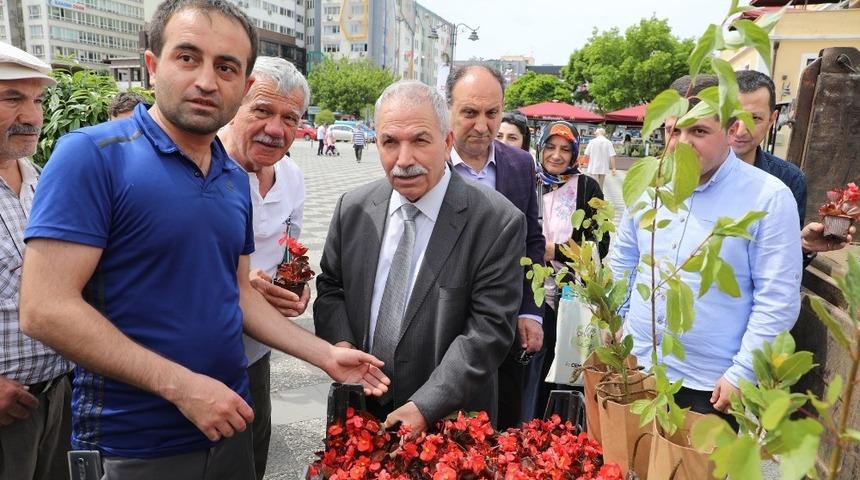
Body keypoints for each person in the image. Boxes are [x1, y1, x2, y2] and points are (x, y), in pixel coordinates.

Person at [18, 2, 388, 478]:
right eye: (188, 58)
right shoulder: (92, 157)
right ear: (153, 66)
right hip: (133, 443)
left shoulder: (234, 178)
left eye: (226, 66)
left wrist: (325, 355)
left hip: (227, 422)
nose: (208, 81)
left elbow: (238, 296)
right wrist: (182, 387)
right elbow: (44, 308)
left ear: (244, 82)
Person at [314, 80, 525, 437]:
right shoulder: (353, 208)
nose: (404, 160)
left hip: (449, 427)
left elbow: (488, 331)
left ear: (446, 144)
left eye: (420, 140)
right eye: (390, 142)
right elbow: (331, 287)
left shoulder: (496, 221)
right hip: (360, 412)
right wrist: (344, 345)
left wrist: (426, 405)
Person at [610, 74, 802, 425]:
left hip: (710, 387)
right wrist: (617, 320)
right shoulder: (648, 185)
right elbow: (625, 258)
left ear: (729, 131)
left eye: (698, 132)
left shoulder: (767, 198)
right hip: (637, 366)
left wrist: (743, 371)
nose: (683, 143)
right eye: (673, 131)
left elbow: (777, 299)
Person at [218, 56, 309, 480]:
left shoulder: (290, 175)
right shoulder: (203, 167)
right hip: (201, 355)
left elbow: (292, 249)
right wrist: (240, 281)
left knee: (254, 457)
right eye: (262, 110)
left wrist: (298, 285)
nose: (276, 128)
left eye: (290, 117)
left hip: (257, 350)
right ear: (235, 105)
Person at [445, 64, 545, 430]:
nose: (483, 126)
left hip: (505, 332)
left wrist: (531, 311)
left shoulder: (520, 164)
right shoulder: (429, 162)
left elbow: (532, 241)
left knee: (502, 433)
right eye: (470, 113)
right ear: (449, 109)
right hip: (442, 328)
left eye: (492, 113)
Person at [0, 41, 73, 480]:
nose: (31, 115)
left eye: (38, 99)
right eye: (12, 98)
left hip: (57, 400)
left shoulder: (43, 182)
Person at [530, 121, 610, 420]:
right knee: (532, 364)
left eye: (565, 149)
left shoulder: (588, 187)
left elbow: (600, 244)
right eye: (550, 147)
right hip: (531, 292)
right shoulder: (528, 182)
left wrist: (557, 251)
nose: (557, 155)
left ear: (576, 152)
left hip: (569, 293)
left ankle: (559, 430)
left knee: (563, 362)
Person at [729, 69, 852, 264]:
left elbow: (785, 268)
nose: (741, 130)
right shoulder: (693, 174)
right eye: (733, 116)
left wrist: (803, 246)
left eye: (755, 118)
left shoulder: (788, 180)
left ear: (773, 119)